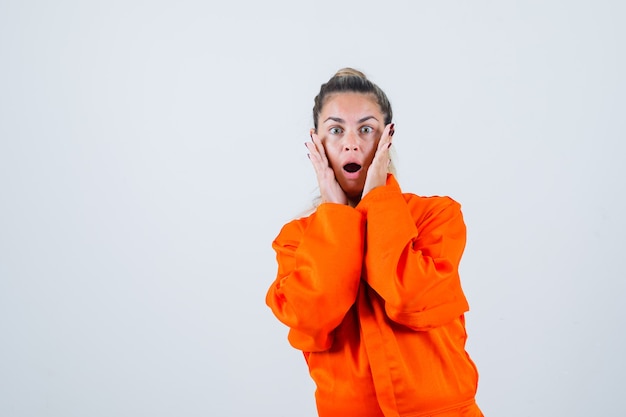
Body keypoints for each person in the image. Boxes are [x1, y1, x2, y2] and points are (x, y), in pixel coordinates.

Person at [265, 68, 483, 417]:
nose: (351, 142)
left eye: (366, 129)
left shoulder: (435, 216)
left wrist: (377, 199)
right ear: (316, 143)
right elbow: (313, 314)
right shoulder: (296, 240)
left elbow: (409, 296)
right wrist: (336, 214)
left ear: (387, 139)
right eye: (336, 130)